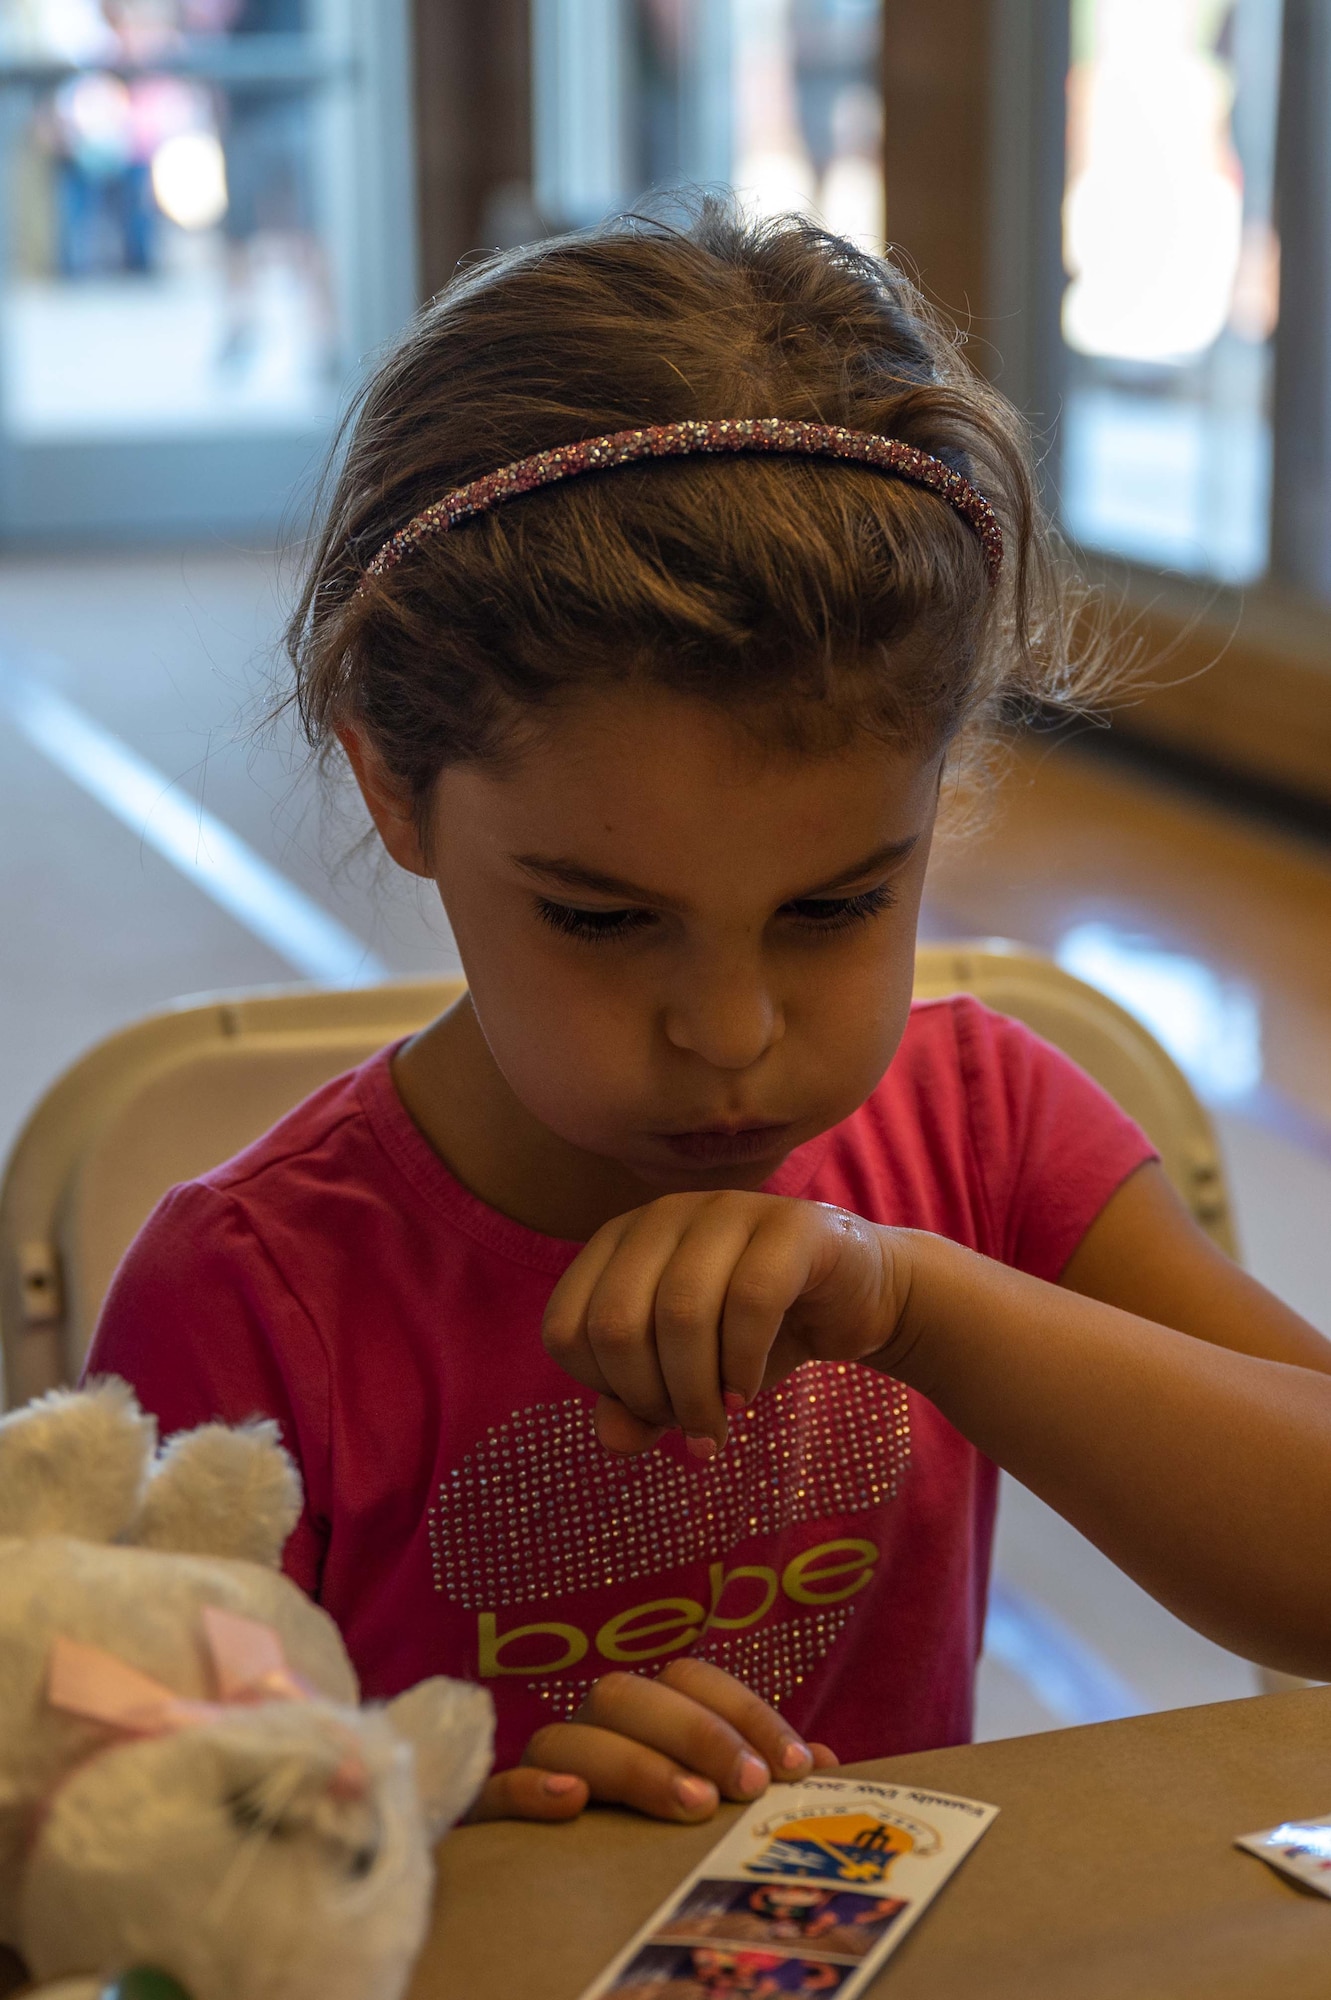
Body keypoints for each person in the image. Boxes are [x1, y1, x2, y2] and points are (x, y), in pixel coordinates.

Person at [86, 201, 1331, 1831]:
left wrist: (923, 1306)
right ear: (394, 779)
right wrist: (441, 1827)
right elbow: (124, 1836)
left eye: (834, 906)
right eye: (603, 919)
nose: (733, 1033)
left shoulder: (983, 1135)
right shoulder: (249, 1299)